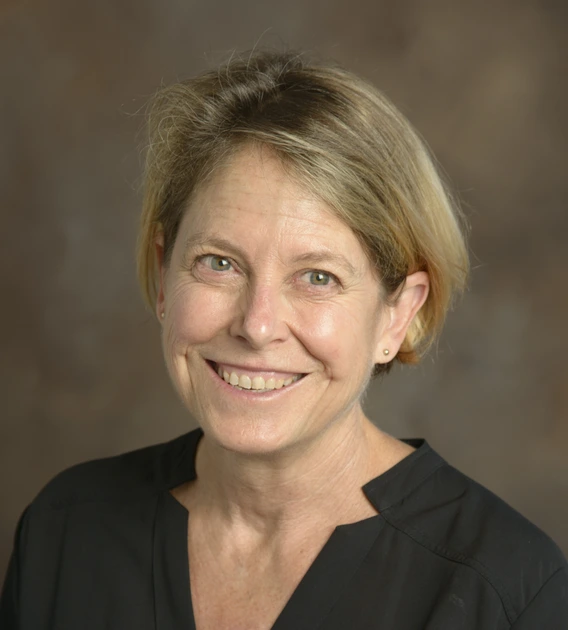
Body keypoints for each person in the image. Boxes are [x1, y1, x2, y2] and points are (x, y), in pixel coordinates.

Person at [1, 50, 567, 630]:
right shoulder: (66, 531)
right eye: (219, 263)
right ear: (165, 274)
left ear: (397, 315)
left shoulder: (506, 591)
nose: (257, 324)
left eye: (318, 277)